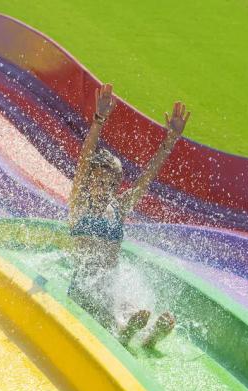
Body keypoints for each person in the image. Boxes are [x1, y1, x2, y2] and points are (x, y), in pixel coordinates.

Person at [67, 83, 190, 349]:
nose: (104, 186)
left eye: (111, 183)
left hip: (110, 283)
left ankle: (147, 335)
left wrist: (169, 141)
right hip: (84, 286)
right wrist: (98, 121)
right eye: (99, 180)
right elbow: (84, 160)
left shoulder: (118, 209)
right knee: (103, 298)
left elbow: (146, 180)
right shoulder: (79, 205)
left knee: (129, 302)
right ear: (89, 181)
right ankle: (124, 332)